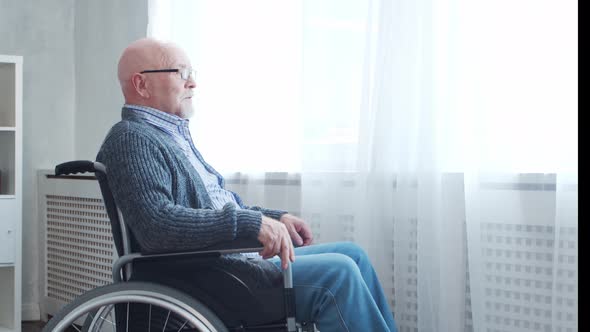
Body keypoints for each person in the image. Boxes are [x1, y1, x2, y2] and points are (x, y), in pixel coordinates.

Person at [96, 37, 397, 332]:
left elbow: (218, 207)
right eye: (182, 73)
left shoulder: (169, 137)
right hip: (207, 275)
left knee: (352, 254)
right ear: (141, 84)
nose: (193, 83)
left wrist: (275, 219)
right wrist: (250, 223)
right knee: (339, 274)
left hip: (226, 261)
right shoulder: (131, 139)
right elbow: (157, 226)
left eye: (192, 74)